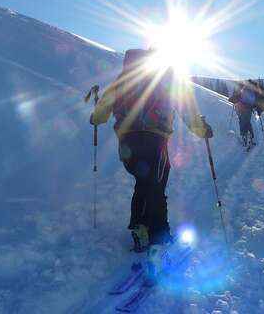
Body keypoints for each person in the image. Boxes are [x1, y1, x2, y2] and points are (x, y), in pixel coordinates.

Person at [90, 48, 213, 258]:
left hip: (127, 143)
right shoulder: (166, 80)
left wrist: (96, 117)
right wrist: (202, 129)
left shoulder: (121, 81)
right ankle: (158, 236)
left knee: (144, 183)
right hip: (155, 139)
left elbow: (100, 115)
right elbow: (186, 109)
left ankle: (142, 228)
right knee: (155, 185)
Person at [229, 80, 257, 147]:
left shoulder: (243, 90)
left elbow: (232, 99)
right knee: (247, 123)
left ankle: (245, 140)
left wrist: (233, 100)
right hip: (248, 111)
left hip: (241, 110)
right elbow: (253, 102)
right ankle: (250, 138)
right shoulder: (252, 92)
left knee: (242, 124)